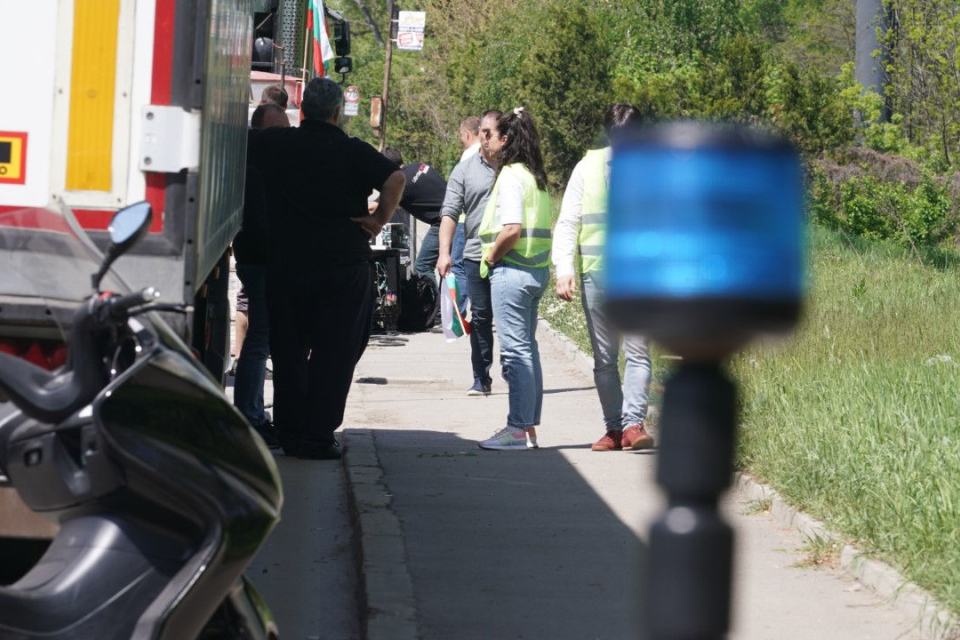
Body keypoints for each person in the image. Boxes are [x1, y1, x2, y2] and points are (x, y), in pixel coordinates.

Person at [248, 77, 405, 460]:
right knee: (334, 354)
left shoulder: (276, 144)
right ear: (337, 113)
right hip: (341, 267)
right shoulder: (351, 149)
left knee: (288, 352)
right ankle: (318, 437)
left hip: (287, 267)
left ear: (301, 112)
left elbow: (235, 145)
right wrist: (379, 221)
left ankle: (289, 432)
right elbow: (396, 178)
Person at [553, 103, 654, 452]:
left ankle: (633, 425)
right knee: (605, 358)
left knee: (638, 352)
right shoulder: (588, 166)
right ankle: (613, 428)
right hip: (597, 274)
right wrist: (564, 268)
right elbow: (568, 221)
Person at [476, 108, 552, 450]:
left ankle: (518, 429)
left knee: (515, 352)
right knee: (528, 350)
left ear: (506, 140)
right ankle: (528, 427)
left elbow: (511, 229)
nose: (484, 139)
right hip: (535, 272)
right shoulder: (535, 176)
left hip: (512, 271)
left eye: (489, 134)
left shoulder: (509, 176)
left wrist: (491, 256)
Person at [232, 103, 289, 447]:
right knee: (260, 337)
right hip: (261, 258)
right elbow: (260, 221)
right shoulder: (257, 166)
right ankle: (250, 416)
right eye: (277, 129)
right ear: (259, 130)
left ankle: (252, 413)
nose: (284, 136)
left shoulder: (258, 161)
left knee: (261, 336)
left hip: (259, 256)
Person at [437, 110, 502, 396]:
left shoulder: (513, 167)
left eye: (490, 133)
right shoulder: (464, 170)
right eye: (482, 133)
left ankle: (516, 373)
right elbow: (450, 212)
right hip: (476, 254)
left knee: (510, 317)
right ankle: (481, 376)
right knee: (482, 316)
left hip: (511, 255)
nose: (484, 139)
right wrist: (444, 252)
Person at [382, 148, 448, 284]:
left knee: (422, 266)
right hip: (456, 214)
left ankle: (432, 304)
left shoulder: (401, 183)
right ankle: (443, 302)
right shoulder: (419, 165)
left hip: (444, 222)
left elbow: (379, 207)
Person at [450, 116, 481, 315]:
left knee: (459, 266)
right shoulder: (489, 153)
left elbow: (461, 192)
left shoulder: (469, 154)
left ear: (467, 134)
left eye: (462, 135)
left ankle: (458, 313)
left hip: (464, 220)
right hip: (482, 220)